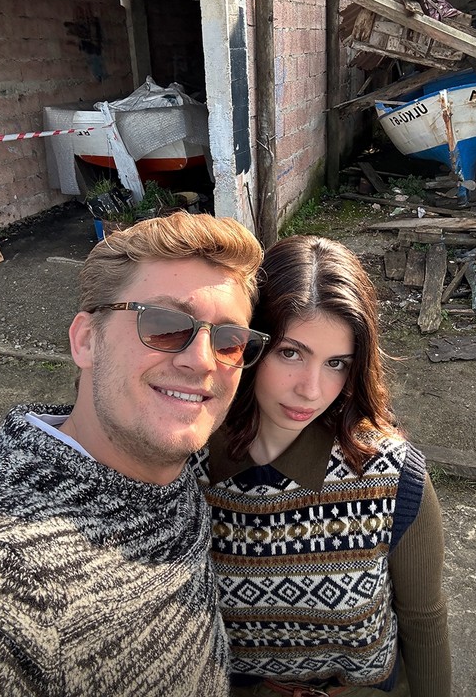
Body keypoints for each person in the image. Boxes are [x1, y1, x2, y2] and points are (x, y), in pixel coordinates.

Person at [0, 211, 270, 696]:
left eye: (229, 341)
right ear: (86, 340)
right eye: (164, 325)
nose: (202, 361)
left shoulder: (169, 471)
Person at [191, 235, 451, 697]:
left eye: (336, 363)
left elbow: (424, 619)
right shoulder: (187, 466)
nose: (311, 390)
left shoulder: (392, 477)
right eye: (290, 353)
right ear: (247, 343)